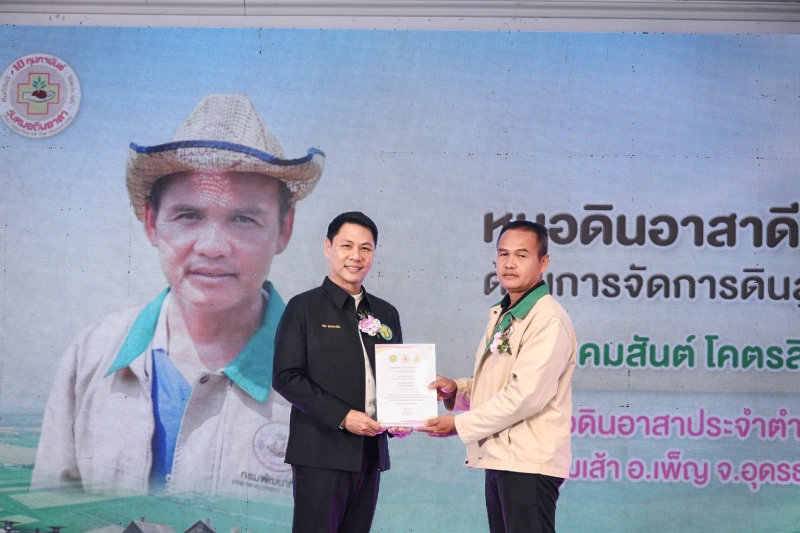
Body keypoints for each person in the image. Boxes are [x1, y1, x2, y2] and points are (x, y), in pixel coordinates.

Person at [31, 93, 325, 500]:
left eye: (243, 218)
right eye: (188, 215)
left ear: (284, 228)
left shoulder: (330, 375)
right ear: (151, 222)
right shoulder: (91, 354)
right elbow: (48, 513)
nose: (212, 247)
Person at [418, 220, 577, 533]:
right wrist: (457, 391)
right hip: (504, 458)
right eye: (503, 254)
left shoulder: (547, 319)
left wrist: (460, 425)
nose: (509, 263)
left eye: (521, 255)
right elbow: (501, 384)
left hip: (528, 463)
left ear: (543, 262)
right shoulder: (506, 313)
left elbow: (525, 395)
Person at [272, 212, 409, 533]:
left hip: (370, 454)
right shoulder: (304, 307)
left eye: (365, 248)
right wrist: (343, 416)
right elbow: (286, 376)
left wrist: (401, 417)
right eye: (347, 246)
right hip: (321, 452)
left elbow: (396, 379)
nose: (356, 256)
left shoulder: (386, 313)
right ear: (328, 247)